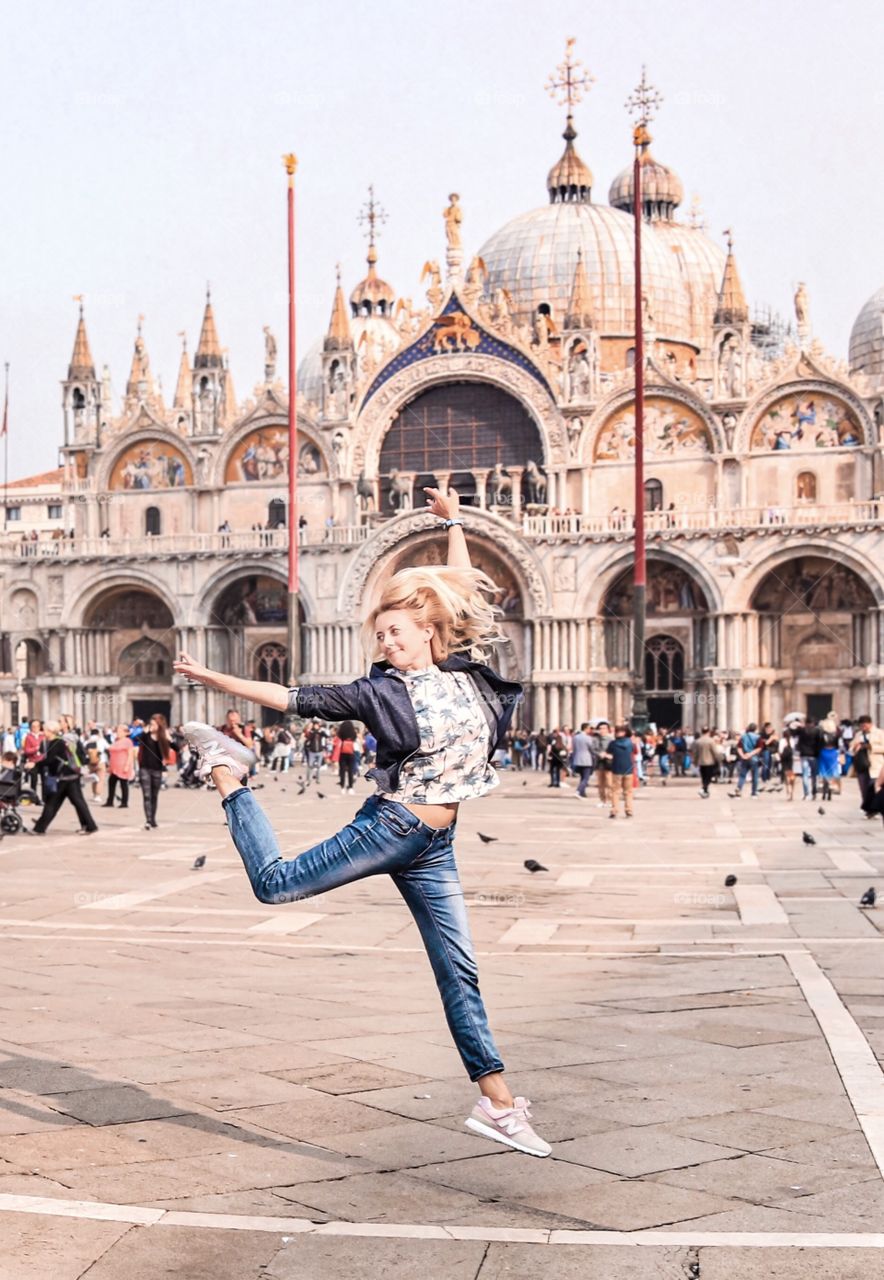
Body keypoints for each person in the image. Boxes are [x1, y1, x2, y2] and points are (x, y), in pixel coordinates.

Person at [174, 484, 551, 1158]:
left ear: (428, 630)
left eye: (396, 633)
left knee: (457, 971)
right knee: (276, 884)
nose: (388, 643)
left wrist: (456, 522)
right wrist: (218, 681)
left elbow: (459, 589)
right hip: (394, 826)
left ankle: (497, 1105)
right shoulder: (378, 691)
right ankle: (228, 769)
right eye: (380, 636)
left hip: (435, 843)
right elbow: (293, 696)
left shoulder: (468, 670)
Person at [31, 723, 98, 836]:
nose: (43, 732)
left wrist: (34, 764)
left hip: (63, 777)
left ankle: (39, 828)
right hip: (70, 776)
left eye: (45, 730)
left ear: (50, 731)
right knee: (75, 802)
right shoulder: (59, 742)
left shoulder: (56, 743)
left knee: (53, 803)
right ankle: (90, 826)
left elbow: (50, 761)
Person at [138, 713, 172, 830]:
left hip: (157, 770)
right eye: (150, 723)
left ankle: (153, 819)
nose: (151, 726)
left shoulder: (163, 738)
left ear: (159, 725)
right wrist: (145, 731)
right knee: (147, 795)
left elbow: (178, 748)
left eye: (153, 724)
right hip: (144, 769)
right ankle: (148, 820)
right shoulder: (146, 736)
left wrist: (169, 739)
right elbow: (136, 739)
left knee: (154, 796)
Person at [849, 715, 884, 812]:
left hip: (875, 765)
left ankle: (876, 807)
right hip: (862, 765)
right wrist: (855, 747)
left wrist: (871, 747)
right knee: (863, 788)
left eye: (865, 725)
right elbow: (851, 748)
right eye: (861, 726)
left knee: (874, 786)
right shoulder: (858, 734)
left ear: (870, 724)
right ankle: (868, 808)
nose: (863, 728)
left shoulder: (880, 733)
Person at [601, 723, 635, 818]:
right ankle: (629, 810)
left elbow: (609, 754)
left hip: (617, 769)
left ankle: (614, 810)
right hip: (628, 769)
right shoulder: (630, 743)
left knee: (615, 791)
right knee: (628, 792)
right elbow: (633, 751)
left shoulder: (613, 744)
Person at [104, 723, 136, 808]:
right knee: (111, 782)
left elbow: (130, 755)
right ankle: (110, 801)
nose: (117, 732)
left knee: (123, 784)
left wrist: (127, 766)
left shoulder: (128, 741)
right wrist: (109, 766)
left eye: (119, 731)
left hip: (122, 766)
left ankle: (124, 802)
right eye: (117, 730)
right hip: (114, 766)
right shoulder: (116, 740)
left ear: (125, 732)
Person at [731, 722, 762, 797]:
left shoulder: (743, 737)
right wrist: (751, 754)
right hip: (754, 758)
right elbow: (759, 748)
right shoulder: (758, 737)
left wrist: (743, 756)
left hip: (744, 758)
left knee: (742, 775)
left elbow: (739, 748)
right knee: (755, 776)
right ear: (755, 729)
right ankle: (754, 793)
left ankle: (739, 789)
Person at [694, 726, 720, 798]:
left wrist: (695, 761)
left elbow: (696, 753)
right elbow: (715, 752)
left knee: (704, 777)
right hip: (710, 762)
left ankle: (705, 790)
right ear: (708, 732)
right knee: (709, 777)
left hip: (701, 762)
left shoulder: (698, 741)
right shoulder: (711, 741)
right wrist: (718, 760)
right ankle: (703, 788)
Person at [570, 722, 594, 799]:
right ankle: (578, 791)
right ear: (586, 728)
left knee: (582, 777)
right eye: (590, 728)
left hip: (577, 758)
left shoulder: (575, 737)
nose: (590, 730)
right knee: (586, 778)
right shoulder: (588, 738)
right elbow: (592, 749)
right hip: (586, 759)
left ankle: (583, 792)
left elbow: (574, 748)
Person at [336, 719, 358, 793]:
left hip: (342, 752)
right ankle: (351, 787)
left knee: (342, 770)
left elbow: (338, 736)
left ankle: (342, 787)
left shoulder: (341, 733)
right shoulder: (353, 733)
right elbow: (355, 739)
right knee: (350, 771)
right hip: (351, 752)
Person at [304, 718, 327, 784]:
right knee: (310, 765)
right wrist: (313, 731)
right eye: (315, 725)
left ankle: (318, 779)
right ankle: (308, 779)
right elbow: (309, 738)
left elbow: (326, 736)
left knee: (318, 766)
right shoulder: (312, 732)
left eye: (317, 725)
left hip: (320, 751)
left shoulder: (320, 732)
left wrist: (322, 731)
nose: (316, 726)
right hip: (312, 751)